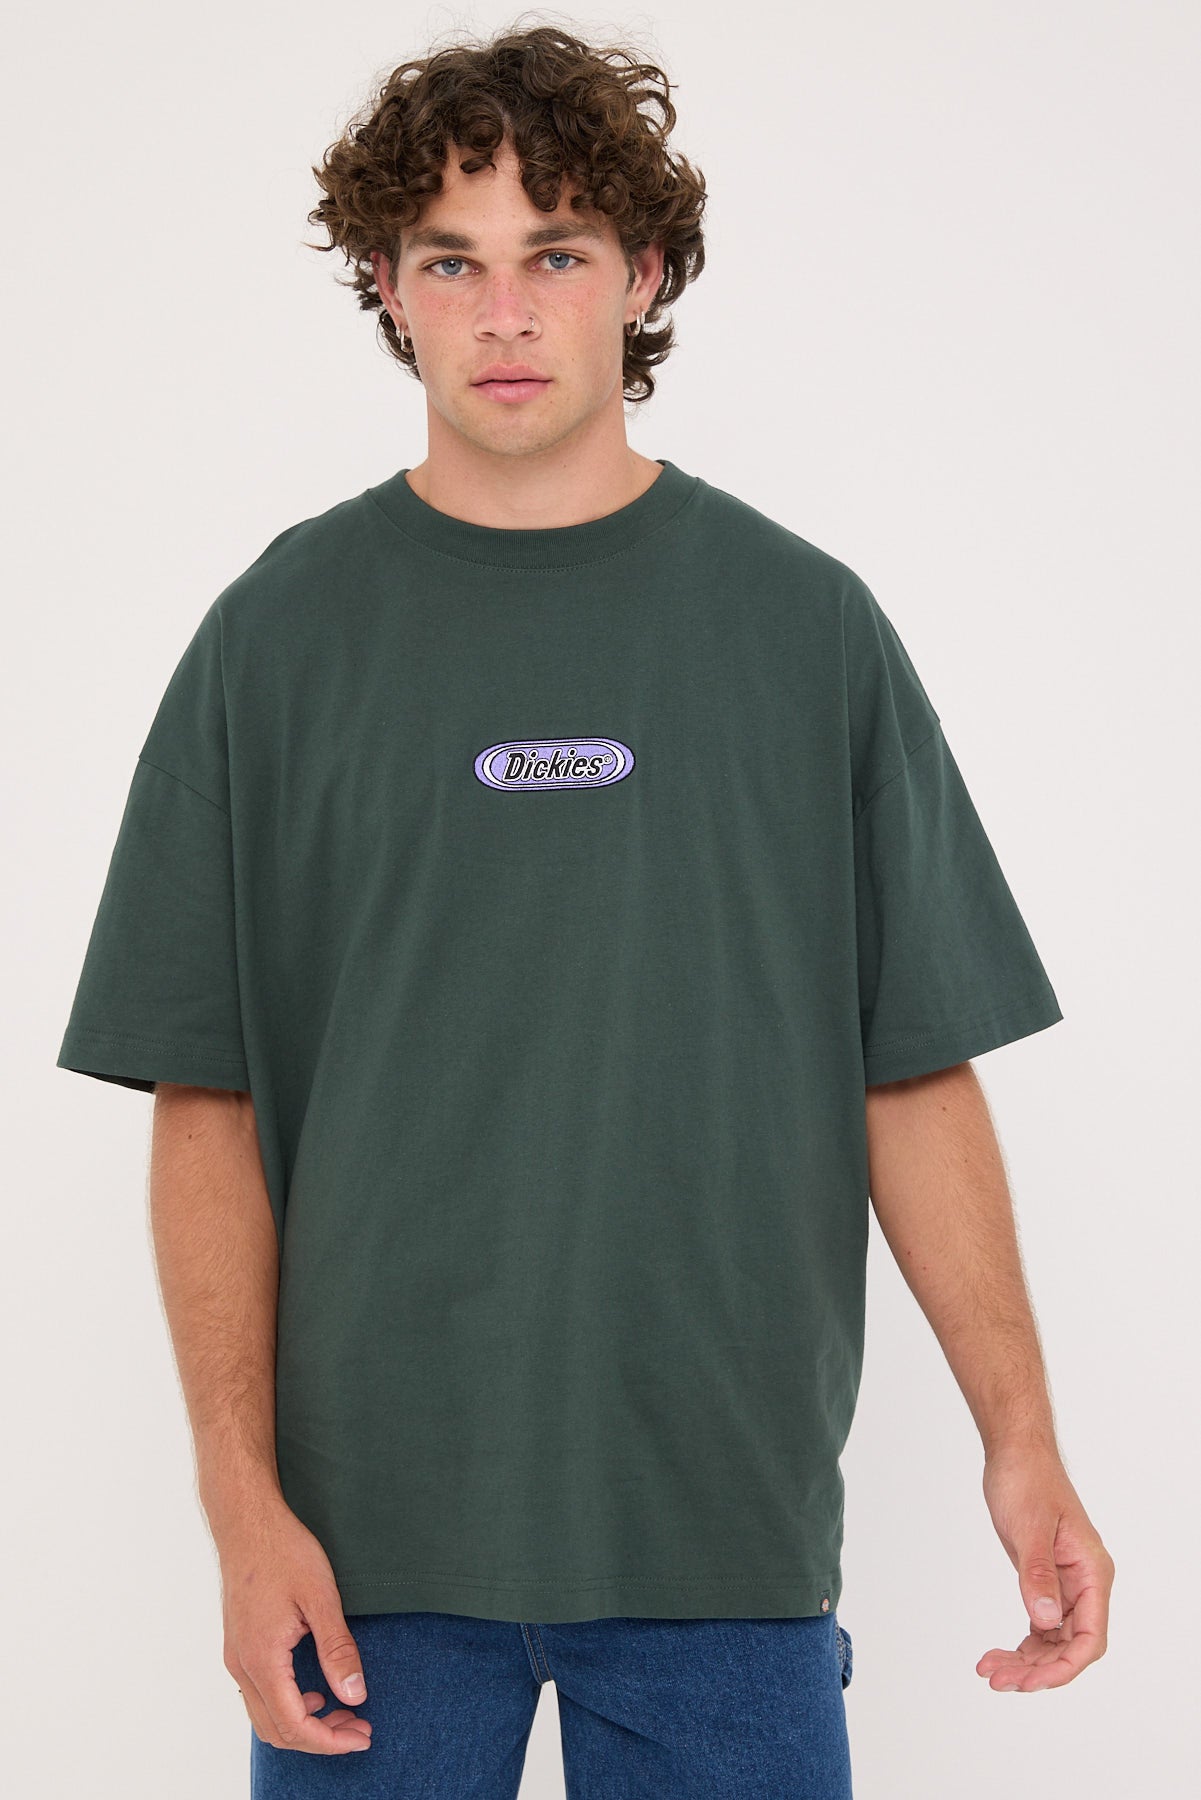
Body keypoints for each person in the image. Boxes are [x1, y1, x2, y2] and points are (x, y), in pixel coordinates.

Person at [55, 22, 1114, 1798]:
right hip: (362, 1555)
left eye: (552, 255)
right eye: (449, 263)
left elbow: (911, 1066)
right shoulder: (275, 642)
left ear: (644, 273)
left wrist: (1022, 1439)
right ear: (386, 288)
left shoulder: (802, 631)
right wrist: (239, 1509)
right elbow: (202, 1099)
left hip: (718, 1531)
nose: (503, 313)